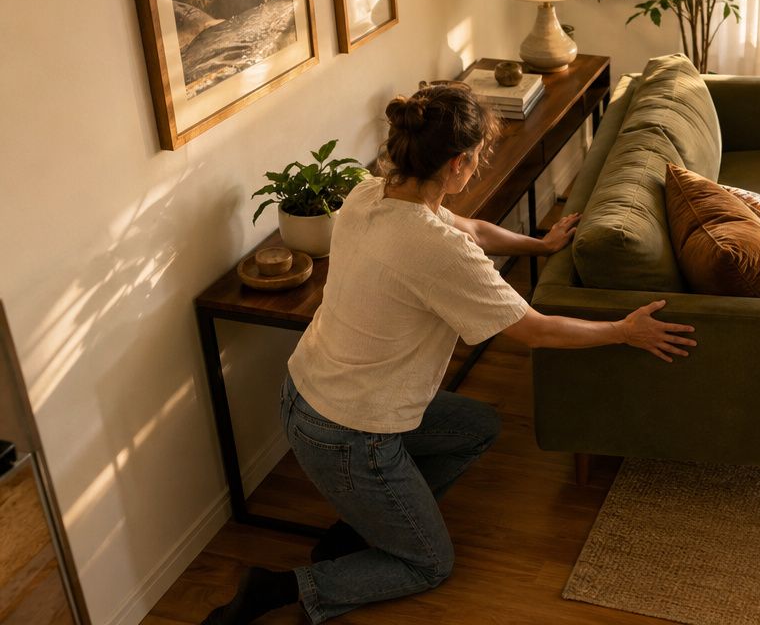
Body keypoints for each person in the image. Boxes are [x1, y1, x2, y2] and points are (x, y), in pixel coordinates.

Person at [205, 82, 695, 624]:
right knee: (428, 564)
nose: (481, 166)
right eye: (480, 156)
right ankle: (277, 589)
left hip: (304, 394)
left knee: (476, 426)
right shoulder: (437, 251)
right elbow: (533, 331)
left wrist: (540, 244)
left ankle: (365, 523)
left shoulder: (370, 192)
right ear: (459, 163)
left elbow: (474, 229)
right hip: (350, 431)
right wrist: (622, 332)